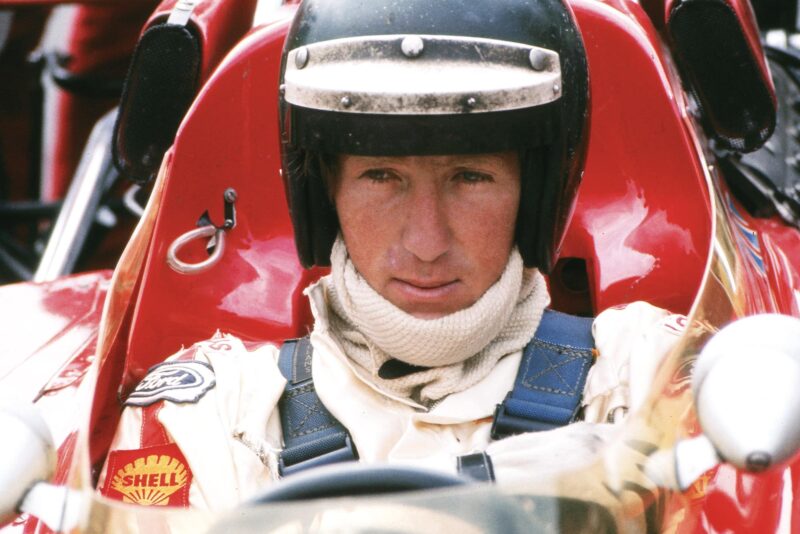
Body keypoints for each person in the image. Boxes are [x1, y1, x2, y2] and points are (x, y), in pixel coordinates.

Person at [97, 0, 687, 511]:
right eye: (381, 177)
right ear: (325, 190)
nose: (426, 242)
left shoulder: (647, 375)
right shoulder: (212, 415)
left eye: (471, 177)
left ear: (534, 194)